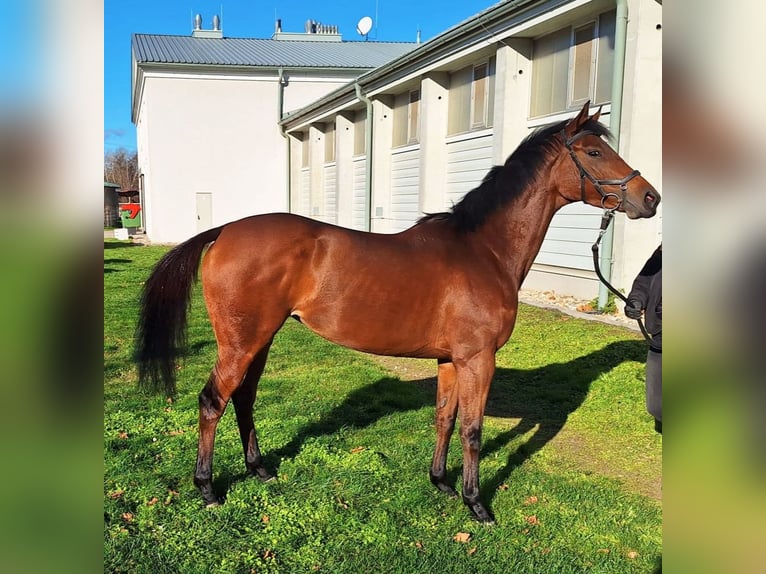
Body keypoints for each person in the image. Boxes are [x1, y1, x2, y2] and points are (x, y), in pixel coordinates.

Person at [624, 244, 662, 433]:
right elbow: (643, 283)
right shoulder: (663, 252)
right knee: (657, 406)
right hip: (661, 336)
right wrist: (636, 301)